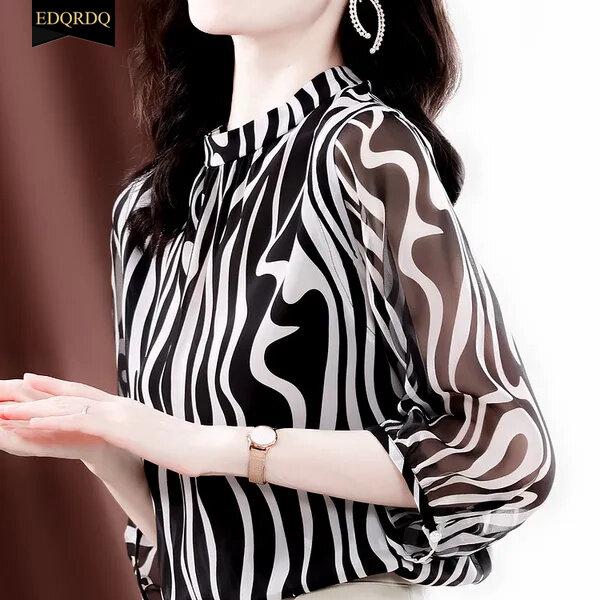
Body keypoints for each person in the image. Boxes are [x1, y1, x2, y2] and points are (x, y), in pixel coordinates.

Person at [0, 1, 556, 599]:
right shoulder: (150, 208)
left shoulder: (367, 147)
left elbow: (506, 451)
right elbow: (193, 541)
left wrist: (215, 446)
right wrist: (102, 447)